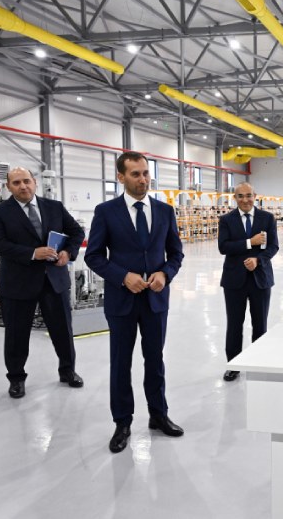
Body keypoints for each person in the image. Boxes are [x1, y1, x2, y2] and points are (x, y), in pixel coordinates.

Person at [85, 151, 185, 453]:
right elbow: (93, 256)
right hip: (122, 301)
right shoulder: (106, 211)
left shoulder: (165, 211)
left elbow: (176, 253)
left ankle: (159, 414)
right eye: (135, 174)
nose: (143, 179)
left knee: (155, 360)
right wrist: (122, 276)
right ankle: (122, 422)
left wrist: (165, 274)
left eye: (145, 173)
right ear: (121, 177)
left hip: (155, 299)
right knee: (121, 363)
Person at [0, 167, 85, 399]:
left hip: (54, 279)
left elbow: (76, 233)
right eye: (16, 183)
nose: (23, 186)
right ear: (8, 187)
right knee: (16, 334)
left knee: (63, 330)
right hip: (18, 283)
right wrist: (32, 253)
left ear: (35, 182)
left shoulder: (54, 207)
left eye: (26, 181)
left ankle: (67, 370)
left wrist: (68, 253)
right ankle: (16, 378)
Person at [218, 182, 279, 382]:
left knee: (260, 324)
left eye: (248, 195)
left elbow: (273, 246)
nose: (245, 200)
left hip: (260, 279)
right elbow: (223, 247)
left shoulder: (267, 218)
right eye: (240, 196)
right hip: (234, 280)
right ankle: (233, 365)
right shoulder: (226, 220)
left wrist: (258, 260)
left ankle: (258, 362)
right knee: (234, 324)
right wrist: (249, 243)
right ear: (235, 198)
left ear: (255, 196)